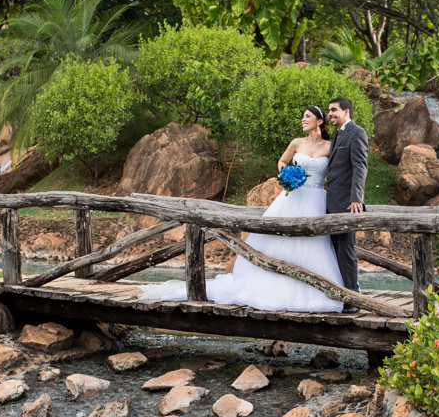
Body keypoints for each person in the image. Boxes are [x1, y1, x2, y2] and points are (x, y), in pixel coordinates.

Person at [137, 106, 345, 312]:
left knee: (314, 245)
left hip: (316, 199)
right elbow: (282, 161)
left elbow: (338, 172)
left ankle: (316, 290)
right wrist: (287, 174)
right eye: (302, 117)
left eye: (307, 116)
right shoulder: (296, 143)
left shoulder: (329, 147)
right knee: (279, 242)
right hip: (292, 197)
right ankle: (273, 287)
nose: (302, 120)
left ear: (319, 121)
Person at [325, 97, 369, 313]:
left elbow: (360, 167)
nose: (330, 114)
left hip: (347, 204)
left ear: (346, 111)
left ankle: (352, 297)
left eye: (334, 110)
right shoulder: (337, 134)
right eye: (329, 111)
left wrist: (356, 199)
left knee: (346, 250)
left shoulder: (357, 133)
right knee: (334, 250)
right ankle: (340, 293)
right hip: (331, 203)